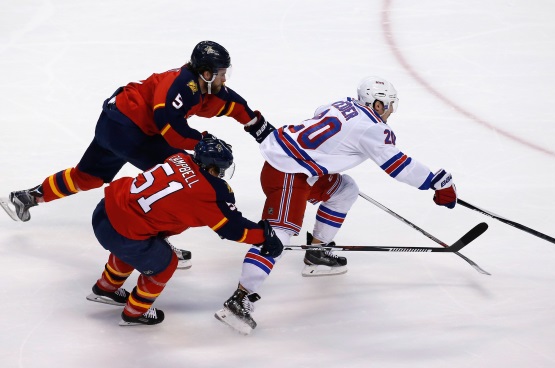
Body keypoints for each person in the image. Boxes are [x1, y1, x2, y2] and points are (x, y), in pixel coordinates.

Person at [214, 76, 458, 334]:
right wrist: (435, 182)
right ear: (376, 104)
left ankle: (317, 252)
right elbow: (397, 166)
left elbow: (320, 115)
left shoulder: (344, 104)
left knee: (345, 189)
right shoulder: (372, 129)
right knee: (278, 235)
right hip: (288, 174)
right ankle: (239, 298)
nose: (390, 111)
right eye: (388, 105)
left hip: (298, 168)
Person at [3, 40, 275, 269]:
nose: (224, 78)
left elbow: (233, 104)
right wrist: (203, 141)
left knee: (87, 176)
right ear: (205, 73)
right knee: (181, 178)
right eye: (220, 73)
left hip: (116, 121)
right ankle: (152, 243)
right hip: (130, 131)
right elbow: (172, 132)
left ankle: (27, 198)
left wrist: (262, 129)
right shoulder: (180, 87)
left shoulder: (199, 86)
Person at [86, 137, 283, 326]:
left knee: (138, 246)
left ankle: (106, 288)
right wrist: (264, 237)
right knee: (165, 263)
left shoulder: (178, 157)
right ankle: (135, 312)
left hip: (104, 212)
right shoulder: (208, 193)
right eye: (219, 170)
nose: (221, 174)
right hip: (124, 234)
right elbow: (233, 228)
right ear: (211, 167)